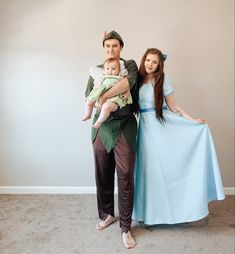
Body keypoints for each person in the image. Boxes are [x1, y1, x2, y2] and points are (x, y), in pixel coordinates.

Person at [132, 48, 225, 225]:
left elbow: (174, 107)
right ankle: (149, 214)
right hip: (145, 129)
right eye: (148, 60)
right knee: (147, 170)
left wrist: (193, 121)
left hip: (162, 126)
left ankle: (177, 210)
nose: (150, 64)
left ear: (160, 65)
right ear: (143, 60)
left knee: (167, 168)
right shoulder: (137, 79)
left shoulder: (163, 79)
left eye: (154, 62)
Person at [85, 31, 138, 248]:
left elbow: (127, 84)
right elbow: (89, 96)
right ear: (104, 47)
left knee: (125, 175)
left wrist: (104, 96)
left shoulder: (130, 66)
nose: (111, 49)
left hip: (124, 126)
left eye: (115, 46)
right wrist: (96, 101)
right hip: (102, 127)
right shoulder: (97, 71)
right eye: (107, 46)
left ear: (121, 47)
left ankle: (126, 227)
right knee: (103, 172)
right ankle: (106, 214)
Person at [82, 58, 132, 129]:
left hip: (113, 99)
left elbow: (126, 86)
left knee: (106, 107)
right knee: (88, 101)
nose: (110, 71)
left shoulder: (120, 78)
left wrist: (127, 92)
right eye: (107, 69)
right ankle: (88, 114)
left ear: (118, 70)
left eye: (113, 69)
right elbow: (96, 85)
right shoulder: (102, 77)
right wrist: (95, 95)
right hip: (100, 94)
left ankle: (99, 121)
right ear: (104, 70)